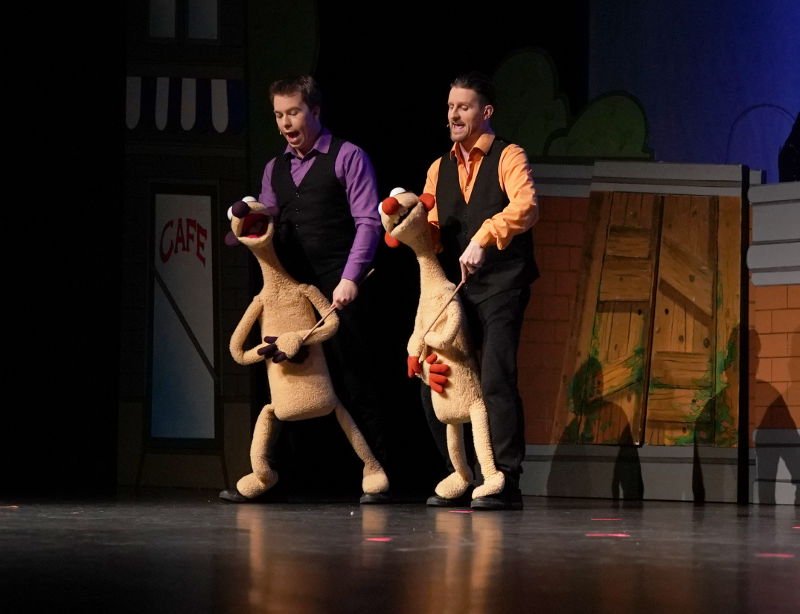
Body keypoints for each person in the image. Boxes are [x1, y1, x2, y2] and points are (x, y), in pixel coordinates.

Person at [236, 74, 390, 503]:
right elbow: (265, 221)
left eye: (294, 112)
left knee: (352, 380)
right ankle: (282, 478)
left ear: (315, 111)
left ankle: (376, 475)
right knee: (288, 380)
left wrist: (350, 278)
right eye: (279, 115)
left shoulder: (347, 156)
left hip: (340, 286)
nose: (286, 123)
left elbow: (368, 221)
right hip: (294, 292)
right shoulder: (274, 168)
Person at [420, 71, 539, 510]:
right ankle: (464, 474)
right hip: (458, 291)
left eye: (464, 106)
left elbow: (525, 206)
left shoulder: (509, 156)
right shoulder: (439, 167)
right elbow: (430, 225)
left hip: (503, 284)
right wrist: (413, 230)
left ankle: (506, 478)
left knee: (495, 379)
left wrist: (484, 235)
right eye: (451, 106)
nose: (454, 114)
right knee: (440, 380)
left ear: (485, 112)